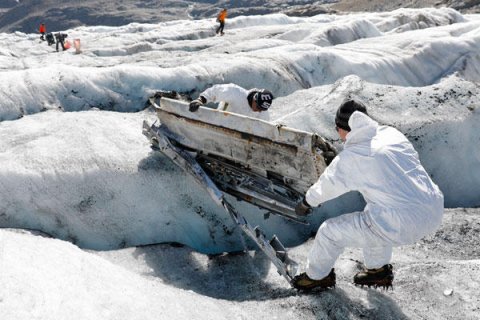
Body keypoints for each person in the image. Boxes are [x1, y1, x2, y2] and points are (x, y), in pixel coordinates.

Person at [291, 99, 444, 291]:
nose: (337, 133)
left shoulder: (354, 156)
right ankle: (377, 271)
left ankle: (317, 277)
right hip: (433, 208)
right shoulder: (390, 133)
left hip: (402, 222)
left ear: (345, 128)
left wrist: (306, 202)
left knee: (329, 232)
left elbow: (327, 185)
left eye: (337, 128)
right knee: (374, 217)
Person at [188, 83, 273, 120]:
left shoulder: (263, 114)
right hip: (217, 124)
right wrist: (200, 100)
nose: (259, 110)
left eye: (262, 109)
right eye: (258, 107)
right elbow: (216, 91)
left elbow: (264, 130)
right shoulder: (236, 93)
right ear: (255, 99)